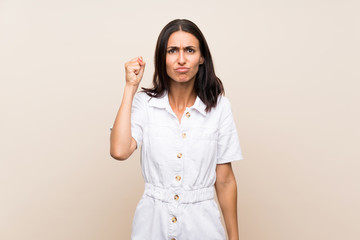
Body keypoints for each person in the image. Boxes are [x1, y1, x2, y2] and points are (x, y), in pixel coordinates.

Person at [110, 19, 244, 240]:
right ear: (162, 58)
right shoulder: (145, 103)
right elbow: (119, 150)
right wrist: (130, 87)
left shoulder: (220, 108)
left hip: (203, 227)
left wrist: (235, 238)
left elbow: (225, 180)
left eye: (189, 50)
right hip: (150, 226)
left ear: (201, 58)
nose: (181, 59)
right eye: (172, 50)